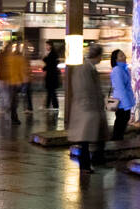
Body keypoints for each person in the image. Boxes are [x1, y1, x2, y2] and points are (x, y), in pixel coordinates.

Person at [65, 43, 108, 175]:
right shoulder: (85, 69)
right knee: (85, 141)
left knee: (90, 139)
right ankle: (86, 166)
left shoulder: (89, 68)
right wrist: (92, 107)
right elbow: (85, 90)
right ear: (98, 55)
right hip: (87, 109)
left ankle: (90, 163)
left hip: (90, 108)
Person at [109, 50, 135, 141]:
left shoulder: (124, 69)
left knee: (122, 124)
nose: (124, 56)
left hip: (124, 102)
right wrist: (127, 104)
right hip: (122, 103)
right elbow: (120, 89)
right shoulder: (117, 70)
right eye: (120, 56)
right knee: (120, 123)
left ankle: (118, 141)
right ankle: (116, 142)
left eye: (123, 54)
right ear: (115, 59)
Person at [42, 40, 62, 110]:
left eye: (47, 45)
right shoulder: (52, 54)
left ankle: (54, 106)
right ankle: (50, 106)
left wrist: (44, 67)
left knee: (51, 92)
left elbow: (50, 64)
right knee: (51, 92)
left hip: (51, 76)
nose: (46, 47)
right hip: (52, 76)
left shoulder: (52, 54)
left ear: (50, 46)